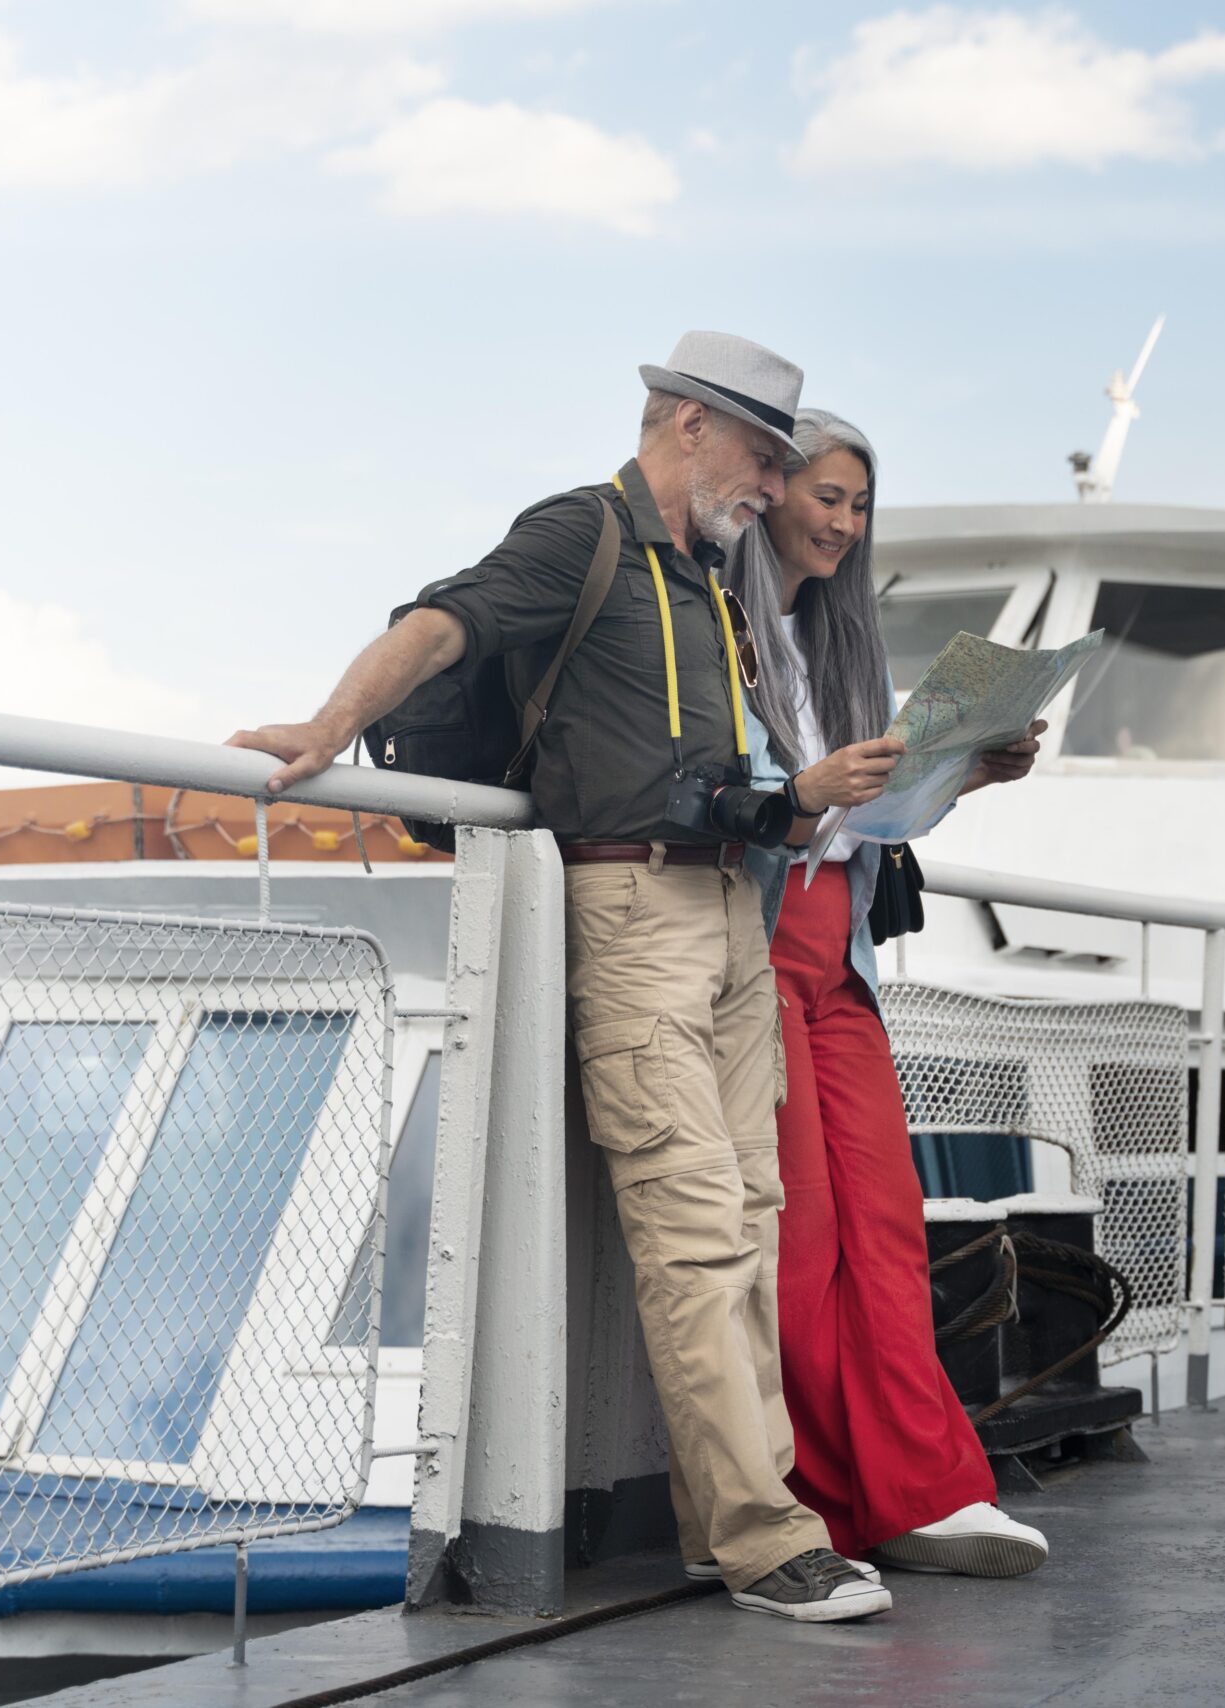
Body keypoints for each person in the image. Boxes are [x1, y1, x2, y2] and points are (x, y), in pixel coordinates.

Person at [229, 334, 890, 1624]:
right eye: (763, 454)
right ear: (689, 426)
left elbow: (721, 772)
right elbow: (438, 625)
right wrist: (323, 726)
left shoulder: (707, 576)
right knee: (697, 1235)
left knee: (751, 1221)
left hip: (724, 904)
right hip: (632, 906)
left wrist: (812, 798)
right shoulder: (578, 533)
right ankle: (766, 1543)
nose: (771, 480)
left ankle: (726, 1525)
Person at [726, 408, 1053, 1578]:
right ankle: (824, 1503)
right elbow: (736, 797)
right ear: (768, 493)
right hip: (756, 957)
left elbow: (872, 821)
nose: (844, 524)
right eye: (826, 497)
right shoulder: (724, 632)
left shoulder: (837, 645)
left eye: (859, 507)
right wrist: (816, 787)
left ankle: (930, 1489)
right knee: (801, 1239)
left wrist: (959, 769)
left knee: (883, 1225)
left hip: (839, 961)